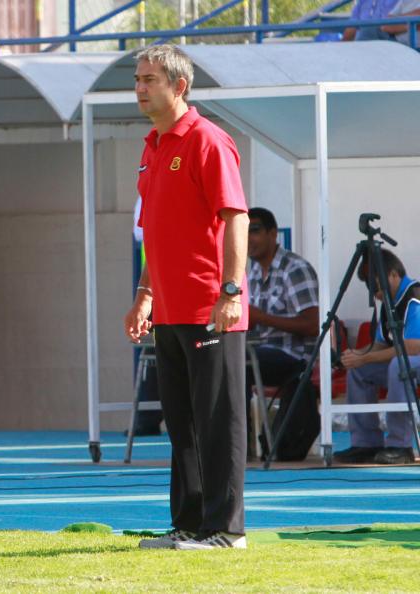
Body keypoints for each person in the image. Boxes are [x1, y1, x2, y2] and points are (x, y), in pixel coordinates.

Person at [124, 45, 249, 551]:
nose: (140, 87)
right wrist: (144, 296)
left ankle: (226, 530)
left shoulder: (207, 141)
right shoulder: (152, 144)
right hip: (169, 310)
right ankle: (191, 524)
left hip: (208, 307)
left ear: (179, 86)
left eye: (150, 79)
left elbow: (235, 217)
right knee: (182, 424)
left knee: (218, 421)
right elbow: (154, 232)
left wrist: (231, 292)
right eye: (137, 79)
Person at [334, 249, 420, 465]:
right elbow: (382, 343)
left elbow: (412, 346)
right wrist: (357, 355)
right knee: (358, 370)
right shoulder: (388, 303)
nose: (375, 292)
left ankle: (400, 445)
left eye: (376, 284)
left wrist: (365, 358)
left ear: (392, 274)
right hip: (404, 359)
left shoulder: (414, 298)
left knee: (398, 365)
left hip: (412, 357)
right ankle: (365, 443)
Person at [246, 207, 319, 413]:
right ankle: (238, 440)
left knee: (237, 365)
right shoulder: (253, 272)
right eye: (242, 232)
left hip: (295, 358)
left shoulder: (294, 269)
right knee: (216, 354)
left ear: (273, 233)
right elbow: (254, 320)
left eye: (254, 230)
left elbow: (313, 326)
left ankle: (240, 440)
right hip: (261, 351)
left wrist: (261, 317)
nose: (248, 238)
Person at [129, 195, 163, 437]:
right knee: (152, 351)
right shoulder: (147, 193)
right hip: (153, 287)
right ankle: (146, 419)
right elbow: (142, 235)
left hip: (163, 286)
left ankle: (147, 419)